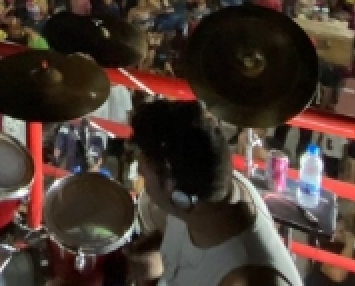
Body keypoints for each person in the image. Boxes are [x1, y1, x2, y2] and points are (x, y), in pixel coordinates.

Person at [127, 99, 302, 286]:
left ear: (172, 183)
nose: (139, 172)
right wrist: (150, 253)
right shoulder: (204, 191)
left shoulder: (245, 279)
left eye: (143, 166)